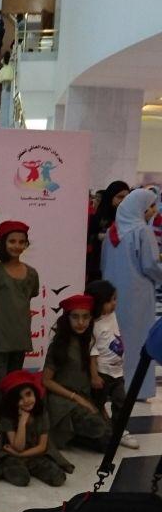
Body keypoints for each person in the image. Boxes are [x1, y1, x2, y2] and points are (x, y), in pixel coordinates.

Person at [102, 186, 162, 402]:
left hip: (114, 294)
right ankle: (138, 389)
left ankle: (115, 387)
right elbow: (151, 265)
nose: (153, 210)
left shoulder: (111, 232)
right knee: (138, 341)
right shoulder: (142, 231)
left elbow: (103, 264)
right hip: (139, 295)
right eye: (150, 206)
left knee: (116, 339)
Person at [43, 294, 111, 451]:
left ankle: (75, 435)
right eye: (75, 317)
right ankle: (69, 435)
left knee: (110, 433)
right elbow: (46, 381)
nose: (81, 322)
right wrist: (77, 398)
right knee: (106, 440)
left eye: (85, 317)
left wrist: (99, 406)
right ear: (67, 319)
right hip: (63, 403)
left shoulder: (89, 342)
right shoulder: (59, 345)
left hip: (85, 398)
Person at [0, 220, 39, 383]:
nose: (17, 246)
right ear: (3, 243)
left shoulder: (32, 274)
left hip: (20, 334)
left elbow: (26, 299)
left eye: (21, 242)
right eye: (12, 241)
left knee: (15, 379)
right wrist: (1, 320)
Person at [86, 279, 139, 449]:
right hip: (102, 373)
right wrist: (94, 376)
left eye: (115, 299)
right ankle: (103, 430)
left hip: (117, 372)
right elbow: (92, 352)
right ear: (97, 303)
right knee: (98, 404)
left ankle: (120, 431)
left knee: (121, 403)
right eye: (109, 301)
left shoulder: (112, 316)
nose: (114, 304)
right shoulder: (93, 324)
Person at [0, 370, 69, 486]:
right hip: (11, 454)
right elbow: (18, 447)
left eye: (28, 394)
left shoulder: (41, 412)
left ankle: (29, 466)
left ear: (35, 393)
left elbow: (42, 446)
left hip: (34, 453)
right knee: (21, 479)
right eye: (19, 398)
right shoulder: (7, 417)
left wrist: (21, 455)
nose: (26, 401)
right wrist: (22, 422)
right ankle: (15, 466)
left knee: (58, 478)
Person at [86, 180, 130, 282]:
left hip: (122, 267)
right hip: (98, 267)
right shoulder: (98, 218)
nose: (124, 201)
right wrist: (99, 236)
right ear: (110, 197)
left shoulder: (130, 218)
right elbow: (87, 239)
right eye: (120, 197)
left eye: (127, 197)